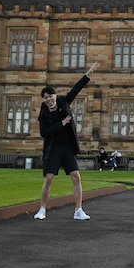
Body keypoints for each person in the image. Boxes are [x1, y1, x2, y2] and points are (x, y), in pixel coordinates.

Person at [34, 61, 99, 221]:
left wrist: (88, 74)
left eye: (50, 96)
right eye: (46, 98)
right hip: (54, 147)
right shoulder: (43, 114)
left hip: (67, 147)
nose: (49, 100)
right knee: (49, 178)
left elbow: (75, 90)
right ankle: (42, 209)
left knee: (76, 176)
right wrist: (60, 124)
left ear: (55, 96)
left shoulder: (63, 102)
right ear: (43, 100)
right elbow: (45, 133)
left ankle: (78, 210)